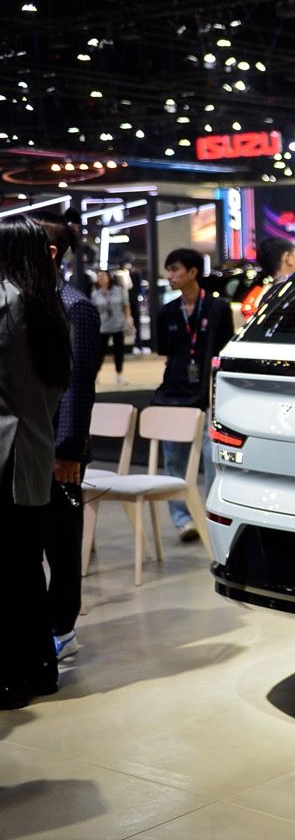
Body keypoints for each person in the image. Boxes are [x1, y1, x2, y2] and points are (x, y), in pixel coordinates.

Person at [0, 216, 72, 710]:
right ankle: (38, 670)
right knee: (24, 567)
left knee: (7, 572)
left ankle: (8, 680)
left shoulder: (8, 301)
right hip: (32, 451)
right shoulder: (50, 307)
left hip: (5, 451)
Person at [34, 213, 99, 661]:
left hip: (58, 446)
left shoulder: (75, 306)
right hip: (29, 440)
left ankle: (62, 627)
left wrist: (68, 449)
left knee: (60, 541)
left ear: (51, 252)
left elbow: (78, 386)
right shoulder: (33, 301)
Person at [152, 248, 233, 542]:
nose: (170, 275)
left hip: (208, 392)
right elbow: (165, 352)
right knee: (173, 457)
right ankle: (183, 519)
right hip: (174, 392)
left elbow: (224, 351)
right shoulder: (166, 312)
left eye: (174, 269)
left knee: (212, 455)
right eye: (168, 270)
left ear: (192, 272)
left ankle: (210, 514)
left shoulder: (217, 309)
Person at [92, 269, 132, 384]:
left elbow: (126, 305)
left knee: (119, 352)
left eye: (103, 276)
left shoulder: (119, 290)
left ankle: (119, 375)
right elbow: (94, 311)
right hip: (102, 327)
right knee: (100, 353)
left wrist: (128, 319)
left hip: (118, 325)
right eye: (99, 276)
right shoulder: (95, 294)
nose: (101, 278)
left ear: (109, 277)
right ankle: (95, 375)